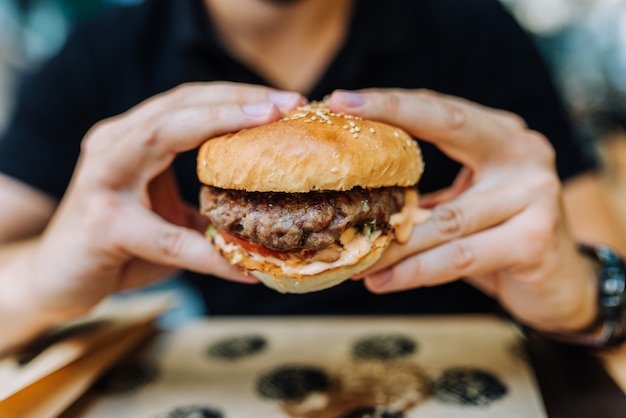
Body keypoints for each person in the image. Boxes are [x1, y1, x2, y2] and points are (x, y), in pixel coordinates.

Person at [0, 0, 625, 356]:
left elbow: (605, 262)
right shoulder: (98, 57)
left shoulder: (473, 30)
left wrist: (585, 295)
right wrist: (36, 282)